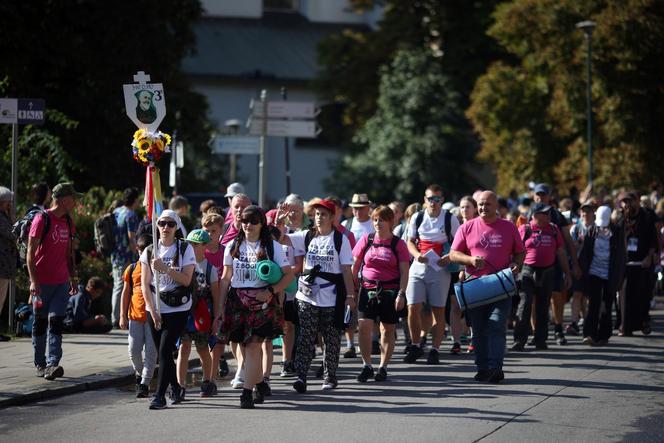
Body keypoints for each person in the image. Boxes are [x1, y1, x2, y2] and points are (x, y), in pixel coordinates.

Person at [217, 206, 293, 408]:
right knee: (245, 347)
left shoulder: (271, 246)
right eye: (244, 221)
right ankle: (259, 383)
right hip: (237, 302)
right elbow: (225, 279)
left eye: (253, 221)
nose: (248, 225)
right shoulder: (233, 245)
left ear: (262, 224)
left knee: (253, 347)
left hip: (262, 303)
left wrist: (271, 291)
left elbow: (289, 274)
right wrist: (219, 309)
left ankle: (246, 392)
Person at [450, 191, 525, 383]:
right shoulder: (467, 227)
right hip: (475, 287)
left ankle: (495, 368)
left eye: (487, 204)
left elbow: (520, 252)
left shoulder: (508, 227)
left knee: (497, 325)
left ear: (496, 206)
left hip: (501, 285)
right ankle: (482, 368)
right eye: (480, 204)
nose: (483, 208)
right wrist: (470, 260)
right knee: (479, 329)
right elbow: (453, 254)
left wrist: (517, 264)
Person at [288, 199, 355, 393]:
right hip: (307, 296)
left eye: (324, 214)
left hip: (332, 298)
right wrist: (280, 221)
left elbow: (345, 270)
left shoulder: (340, 240)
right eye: (317, 214)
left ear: (332, 217)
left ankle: (329, 376)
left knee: (331, 339)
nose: (319, 217)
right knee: (306, 337)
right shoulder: (306, 236)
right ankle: (301, 376)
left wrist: (350, 296)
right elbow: (280, 239)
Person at [141, 209, 196, 410]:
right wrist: (151, 309)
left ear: (176, 227)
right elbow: (144, 284)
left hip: (178, 307)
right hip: (155, 307)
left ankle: (159, 396)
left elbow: (186, 279)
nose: (165, 227)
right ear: (157, 226)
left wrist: (165, 269)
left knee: (165, 350)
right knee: (163, 352)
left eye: (170, 224)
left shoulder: (184, 249)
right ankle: (176, 386)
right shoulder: (149, 251)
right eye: (162, 223)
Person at [27, 183, 82, 380]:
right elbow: (30, 254)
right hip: (41, 283)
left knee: (56, 321)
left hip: (61, 282)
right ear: (64, 199)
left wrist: (73, 277)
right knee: (40, 323)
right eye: (73, 198)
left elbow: (70, 254)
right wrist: (34, 282)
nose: (75, 202)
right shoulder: (42, 219)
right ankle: (40, 364)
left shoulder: (68, 221)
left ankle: (53, 363)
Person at [404, 184, 460, 365]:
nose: (433, 203)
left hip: (440, 269)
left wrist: (449, 257)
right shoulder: (417, 217)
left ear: (442, 200)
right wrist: (416, 255)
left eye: (437, 199)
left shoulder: (450, 219)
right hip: (419, 267)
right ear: (425, 200)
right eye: (430, 199)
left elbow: (459, 244)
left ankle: (434, 349)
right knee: (413, 307)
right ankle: (415, 345)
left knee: (438, 310)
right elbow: (410, 242)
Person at [352, 206, 409, 382]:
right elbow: (355, 267)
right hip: (367, 289)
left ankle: (383, 367)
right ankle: (367, 365)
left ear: (390, 222)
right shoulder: (366, 239)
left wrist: (401, 294)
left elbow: (405, 272)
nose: (377, 223)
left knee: (388, 329)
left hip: (390, 291)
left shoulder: (398, 243)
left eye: (381, 220)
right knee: (363, 327)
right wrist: (352, 290)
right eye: (375, 219)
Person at [512, 202, 571, 351]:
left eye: (548, 213)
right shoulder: (525, 229)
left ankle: (540, 340)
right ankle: (520, 340)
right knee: (525, 305)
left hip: (548, 271)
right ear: (535, 215)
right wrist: (514, 268)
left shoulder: (553, 229)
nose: (548, 216)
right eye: (544, 213)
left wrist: (568, 273)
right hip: (527, 270)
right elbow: (515, 251)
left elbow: (561, 252)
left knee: (543, 307)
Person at [532, 184, 581, 345]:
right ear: (534, 196)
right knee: (533, 300)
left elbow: (568, 241)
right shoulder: (526, 214)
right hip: (532, 265)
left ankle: (558, 330)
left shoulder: (557, 216)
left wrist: (573, 265)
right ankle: (536, 332)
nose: (540, 197)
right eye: (537, 195)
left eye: (543, 195)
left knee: (556, 296)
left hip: (554, 264)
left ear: (549, 196)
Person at [176, 229, 221, 399]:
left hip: (203, 315)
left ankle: (207, 381)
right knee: (184, 347)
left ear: (205, 246)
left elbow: (216, 296)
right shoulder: (182, 264)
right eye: (189, 244)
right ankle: (180, 386)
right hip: (185, 313)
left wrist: (217, 317)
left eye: (195, 244)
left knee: (203, 349)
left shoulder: (210, 269)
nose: (191, 247)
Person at [579, 206, 626, 345]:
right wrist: (583, 271)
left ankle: (604, 335)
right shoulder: (591, 231)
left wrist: (619, 277)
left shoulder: (617, 232)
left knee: (607, 304)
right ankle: (589, 334)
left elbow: (621, 257)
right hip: (594, 272)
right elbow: (585, 253)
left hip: (610, 274)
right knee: (593, 304)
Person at [119, 234, 156, 398]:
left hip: (153, 317)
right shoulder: (132, 269)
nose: (144, 255)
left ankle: (144, 384)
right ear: (137, 250)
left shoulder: (157, 267)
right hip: (135, 316)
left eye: (147, 251)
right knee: (133, 350)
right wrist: (122, 315)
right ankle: (140, 374)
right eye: (141, 251)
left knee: (150, 353)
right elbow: (125, 293)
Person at [619, 192, 658, 336]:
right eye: (625, 202)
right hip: (626, 262)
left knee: (643, 294)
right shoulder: (621, 219)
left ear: (637, 201)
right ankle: (626, 326)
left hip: (643, 262)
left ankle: (643, 322)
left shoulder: (646, 217)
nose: (628, 204)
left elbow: (654, 240)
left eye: (631, 201)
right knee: (626, 296)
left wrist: (650, 256)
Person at [202, 213, 231, 381]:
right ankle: (208, 376)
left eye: (213, 231)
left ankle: (211, 379)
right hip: (203, 303)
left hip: (222, 302)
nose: (210, 235)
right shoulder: (199, 252)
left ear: (221, 231)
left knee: (218, 343)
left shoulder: (226, 252)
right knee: (203, 345)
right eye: (206, 230)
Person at [449, 196, 478, 354]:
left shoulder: (479, 226)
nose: (464, 210)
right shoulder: (457, 226)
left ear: (474, 208)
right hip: (456, 271)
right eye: (461, 207)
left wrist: (463, 268)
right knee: (455, 306)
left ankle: (474, 338)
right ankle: (457, 341)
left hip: (473, 271)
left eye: (467, 207)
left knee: (473, 305)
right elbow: (454, 251)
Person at [111, 187, 140, 328]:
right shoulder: (131, 215)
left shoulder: (116, 212)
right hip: (127, 256)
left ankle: (115, 317)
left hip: (115, 255)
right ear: (135, 200)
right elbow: (131, 237)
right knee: (123, 286)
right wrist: (138, 252)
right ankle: (117, 319)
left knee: (117, 286)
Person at [566, 203, 595, 335]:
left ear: (593, 213)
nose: (585, 214)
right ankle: (574, 322)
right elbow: (571, 249)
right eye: (583, 211)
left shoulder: (598, 228)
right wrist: (575, 266)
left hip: (594, 265)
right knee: (577, 294)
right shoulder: (576, 228)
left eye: (588, 211)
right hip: (579, 264)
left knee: (590, 296)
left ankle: (590, 321)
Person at [0, 187, 17, 341]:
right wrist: (12, 216)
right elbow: (13, 234)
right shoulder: (1, 217)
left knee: (1, 299)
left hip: (4, 266)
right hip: (1, 266)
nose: (10, 204)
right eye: (9, 201)